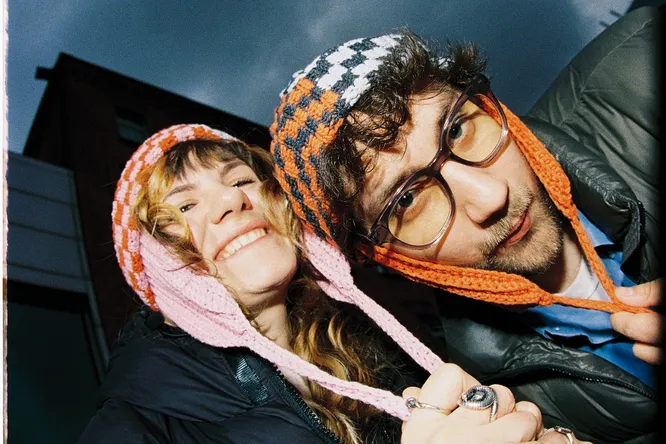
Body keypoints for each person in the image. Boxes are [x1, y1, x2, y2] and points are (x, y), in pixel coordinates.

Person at [269, 6, 661, 443]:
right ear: (385, 257)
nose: (492, 197)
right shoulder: (488, 394)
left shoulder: (642, 69)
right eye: (408, 200)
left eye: (456, 129)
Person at [77, 123, 581, 443]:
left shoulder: (365, 353)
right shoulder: (135, 424)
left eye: (241, 180)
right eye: (185, 206)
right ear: (160, 264)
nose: (232, 201)